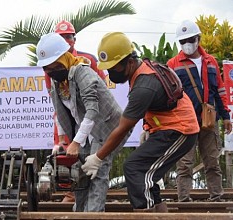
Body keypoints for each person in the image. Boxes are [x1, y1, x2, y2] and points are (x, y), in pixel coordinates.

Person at [81, 32, 200, 212]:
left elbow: (123, 128)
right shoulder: (140, 71)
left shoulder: (144, 85)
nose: (111, 73)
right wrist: (148, 127)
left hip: (180, 130)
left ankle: (145, 214)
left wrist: (98, 157)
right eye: (108, 69)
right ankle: (159, 213)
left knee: (136, 169)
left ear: (129, 61)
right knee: (146, 176)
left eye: (114, 68)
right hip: (167, 128)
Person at [36, 32, 130, 212]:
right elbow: (60, 113)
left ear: (64, 57)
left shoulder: (82, 71)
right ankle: (79, 214)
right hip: (86, 130)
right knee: (80, 175)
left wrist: (76, 142)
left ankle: (94, 215)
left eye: (54, 66)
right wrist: (63, 141)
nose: (50, 71)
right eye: (46, 68)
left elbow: (92, 110)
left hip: (108, 129)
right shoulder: (58, 81)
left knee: (98, 173)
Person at [167, 20, 232, 202]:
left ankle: (217, 198)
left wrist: (226, 116)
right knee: (184, 164)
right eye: (182, 41)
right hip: (185, 122)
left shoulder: (210, 61)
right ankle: (184, 200)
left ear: (198, 39)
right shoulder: (173, 64)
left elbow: (219, 91)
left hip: (209, 120)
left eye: (190, 39)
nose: (186, 44)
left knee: (212, 162)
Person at [47, 20, 106, 203]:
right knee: (71, 158)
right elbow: (57, 104)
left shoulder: (87, 61)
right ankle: (73, 195)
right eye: (61, 37)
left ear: (74, 38)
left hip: (91, 115)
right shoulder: (50, 65)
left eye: (68, 37)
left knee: (94, 161)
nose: (66, 41)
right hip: (70, 118)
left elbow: (101, 91)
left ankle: (93, 201)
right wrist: (61, 139)